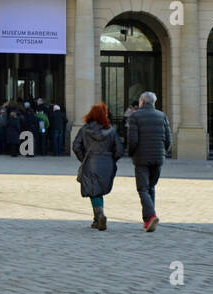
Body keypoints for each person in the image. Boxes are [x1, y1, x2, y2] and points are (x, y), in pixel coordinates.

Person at [72, 103, 124, 231]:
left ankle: (99, 215)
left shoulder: (85, 129)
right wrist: (112, 160)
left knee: (93, 190)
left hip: (90, 162)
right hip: (107, 164)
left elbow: (76, 146)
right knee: (98, 190)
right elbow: (119, 150)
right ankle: (97, 219)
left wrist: (83, 158)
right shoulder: (111, 130)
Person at [125, 90, 171, 232]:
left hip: (141, 158)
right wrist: (164, 152)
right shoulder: (162, 116)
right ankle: (147, 221)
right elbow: (168, 139)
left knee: (143, 188)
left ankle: (151, 216)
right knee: (151, 187)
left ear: (142, 102)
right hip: (158, 157)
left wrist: (131, 153)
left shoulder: (135, 116)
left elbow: (132, 140)